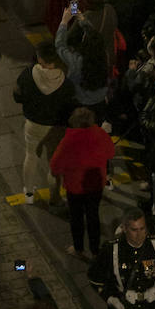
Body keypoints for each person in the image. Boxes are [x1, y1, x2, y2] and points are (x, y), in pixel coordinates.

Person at [12, 41, 78, 204]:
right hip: (56, 128)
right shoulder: (66, 84)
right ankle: (55, 196)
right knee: (53, 163)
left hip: (33, 124)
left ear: (40, 58)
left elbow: (17, 96)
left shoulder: (27, 74)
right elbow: (71, 108)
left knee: (31, 155)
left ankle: (28, 194)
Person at [50, 106, 116, 258]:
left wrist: (58, 173)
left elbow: (55, 165)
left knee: (77, 217)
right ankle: (95, 250)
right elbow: (111, 152)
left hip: (75, 187)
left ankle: (78, 248)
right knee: (93, 216)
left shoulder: (69, 140)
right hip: (96, 184)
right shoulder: (100, 134)